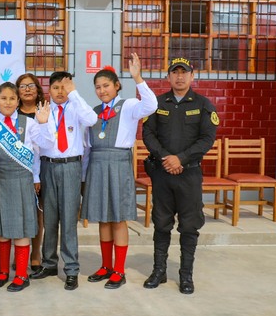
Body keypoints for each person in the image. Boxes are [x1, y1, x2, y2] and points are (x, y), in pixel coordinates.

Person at [142, 57, 218, 294]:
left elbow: (207, 138)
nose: (179, 77)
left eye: (184, 72)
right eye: (175, 72)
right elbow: (148, 133)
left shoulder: (204, 104)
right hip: (162, 173)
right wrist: (166, 157)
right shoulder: (156, 103)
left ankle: (186, 276)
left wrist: (181, 158)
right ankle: (159, 271)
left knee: (189, 226)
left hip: (189, 174)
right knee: (161, 224)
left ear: (192, 76)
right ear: (168, 77)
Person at [81, 54, 157, 289]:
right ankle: (105, 265)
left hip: (119, 163)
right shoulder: (93, 113)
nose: (102, 90)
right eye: (97, 87)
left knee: (118, 218)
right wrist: (85, 176)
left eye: (106, 86)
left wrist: (138, 78)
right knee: (103, 218)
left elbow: (152, 105)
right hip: (97, 163)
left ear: (116, 86)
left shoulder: (129, 106)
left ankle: (119, 270)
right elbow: (86, 145)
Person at [30, 72, 98, 291]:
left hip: (70, 166)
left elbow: (91, 119)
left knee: (68, 219)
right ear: (49, 89)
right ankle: (49, 263)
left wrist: (75, 94)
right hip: (48, 165)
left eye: (64, 87)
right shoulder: (43, 111)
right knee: (49, 218)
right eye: (56, 87)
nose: (60, 92)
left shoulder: (76, 108)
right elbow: (38, 145)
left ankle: (71, 269)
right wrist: (36, 175)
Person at [0, 82, 54, 292]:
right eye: (3, 98)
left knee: (22, 229)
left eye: (12, 99)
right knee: (3, 230)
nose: (7, 102)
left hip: (22, 180)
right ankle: (3, 271)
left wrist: (43, 124)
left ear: (18, 101)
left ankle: (22, 275)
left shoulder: (29, 123)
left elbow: (46, 146)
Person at [15, 73, 46, 272]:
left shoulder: (45, 112)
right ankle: (19, 255)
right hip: (16, 172)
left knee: (38, 213)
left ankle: (35, 253)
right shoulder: (10, 114)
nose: (27, 89)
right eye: (23, 86)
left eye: (31, 85)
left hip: (42, 169)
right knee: (17, 214)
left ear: (38, 89)